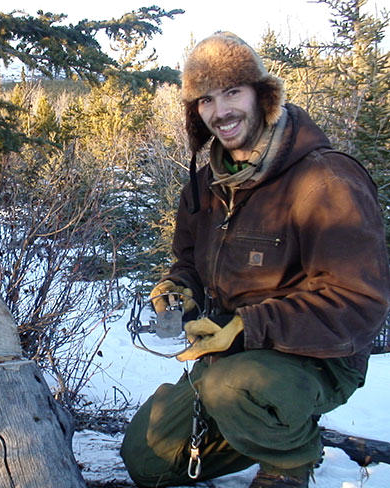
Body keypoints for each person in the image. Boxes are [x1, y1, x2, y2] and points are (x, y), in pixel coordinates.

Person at [120, 32, 390, 488]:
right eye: (205, 99)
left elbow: (358, 301)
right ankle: (262, 424)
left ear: (262, 96)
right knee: (146, 459)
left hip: (320, 355)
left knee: (234, 388)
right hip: (232, 355)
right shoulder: (205, 184)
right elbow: (188, 259)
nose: (220, 111)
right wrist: (179, 288)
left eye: (232, 92)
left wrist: (248, 325)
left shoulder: (324, 180)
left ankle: (289, 460)